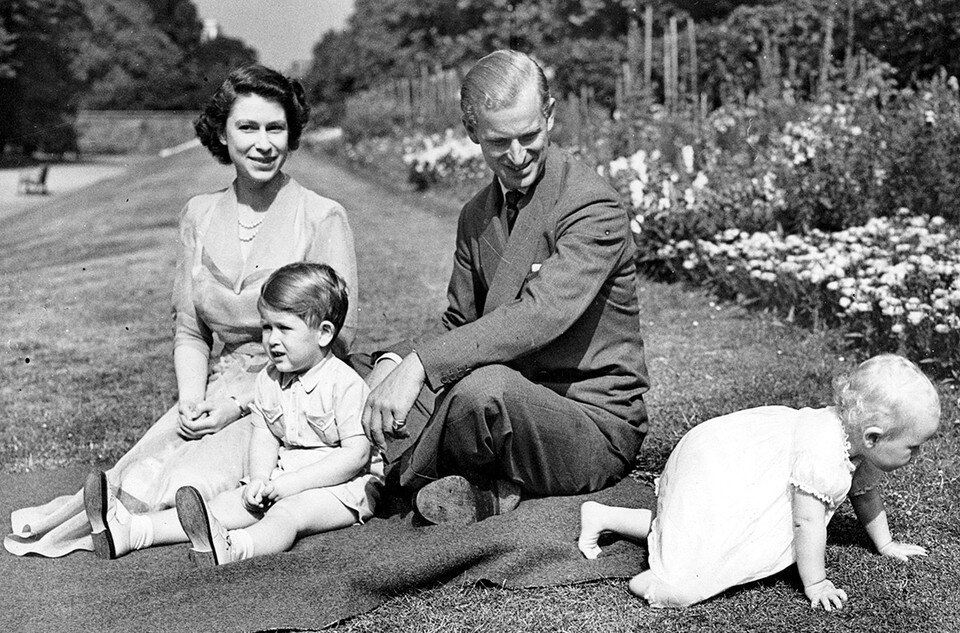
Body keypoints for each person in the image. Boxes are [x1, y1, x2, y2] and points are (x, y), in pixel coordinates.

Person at [5, 64, 358, 558]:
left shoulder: (321, 215)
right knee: (143, 464)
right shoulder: (198, 214)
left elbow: (337, 340)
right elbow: (190, 331)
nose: (263, 143)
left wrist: (240, 407)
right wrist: (192, 403)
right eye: (247, 127)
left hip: (287, 395)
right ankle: (108, 514)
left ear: (292, 132)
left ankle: (134, 527)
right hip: (216, 388)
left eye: (275, 127)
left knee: (188, 479)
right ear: (221, 132)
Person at [361, 50, 649, 524]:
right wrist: (395, 363)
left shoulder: (592, 205)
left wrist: (420, 365)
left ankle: (380, 476)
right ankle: (481, 489)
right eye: (499, 142)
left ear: (551, 115)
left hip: (587, 424)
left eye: (530, 136)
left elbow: (540, 315)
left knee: (481, 392)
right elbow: (459, 323)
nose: (517, 157)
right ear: (472, 132)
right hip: (508, 404)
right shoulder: (476, 215)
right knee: (360, 369)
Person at [578, 354, 940, 610]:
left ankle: (603, 516)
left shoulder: (857, 440)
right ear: (874, 437)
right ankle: (661, 585)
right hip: (720, 463)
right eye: (913, 447)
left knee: (689, 527)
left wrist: (886, 543)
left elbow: (864, 491)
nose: (918, 456)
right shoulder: (824, 452)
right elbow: (806, 521)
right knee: (712, 550)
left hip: (730, 458)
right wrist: (815, 582)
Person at [83, 263, 382, 564]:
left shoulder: (344, 384)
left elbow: (354, 456)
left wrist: (291, 485)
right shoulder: (270, 378)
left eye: (284, 328)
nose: (272, 340)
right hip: (284, 476)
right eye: (267, 327)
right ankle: (134, 531)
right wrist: (259, 478)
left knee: (289, 513)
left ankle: (235, 547)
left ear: (324, 333)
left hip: (345, 487)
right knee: (231, 502)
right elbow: (265, 434)